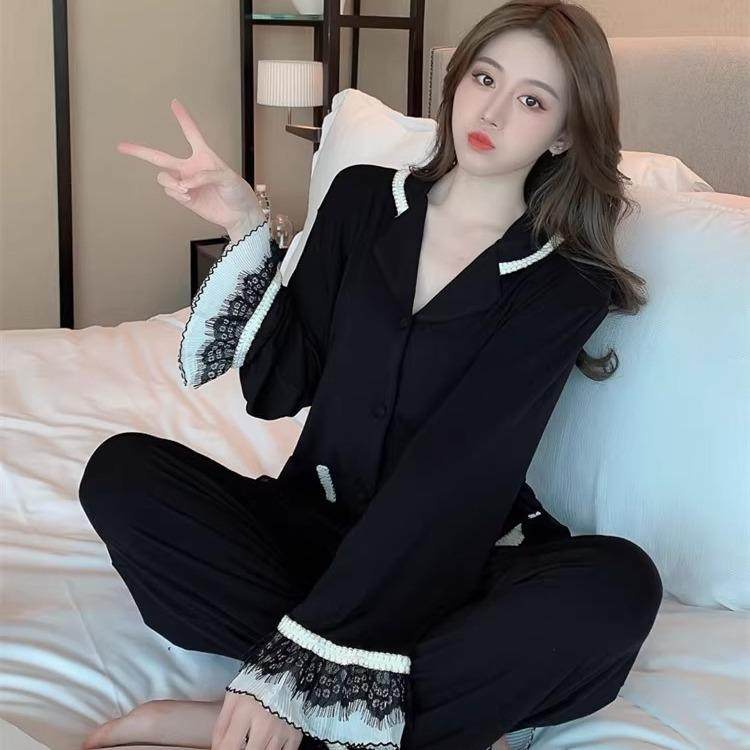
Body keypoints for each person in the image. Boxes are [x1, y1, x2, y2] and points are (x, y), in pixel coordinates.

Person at [78, 2, 663, 750]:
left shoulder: (564, 283)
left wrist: (307, 648)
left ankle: (282, 714)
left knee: (618, 588)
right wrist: (244, 226)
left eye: (531, 100)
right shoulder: (361, 200)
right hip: (314, 530)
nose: (491, 111)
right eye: (486, 78)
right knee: (123, 472)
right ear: (458, 80)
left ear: (564, 134)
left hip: (453, 558)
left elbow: (460, 464)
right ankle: (377, 708)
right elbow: (280, 387)